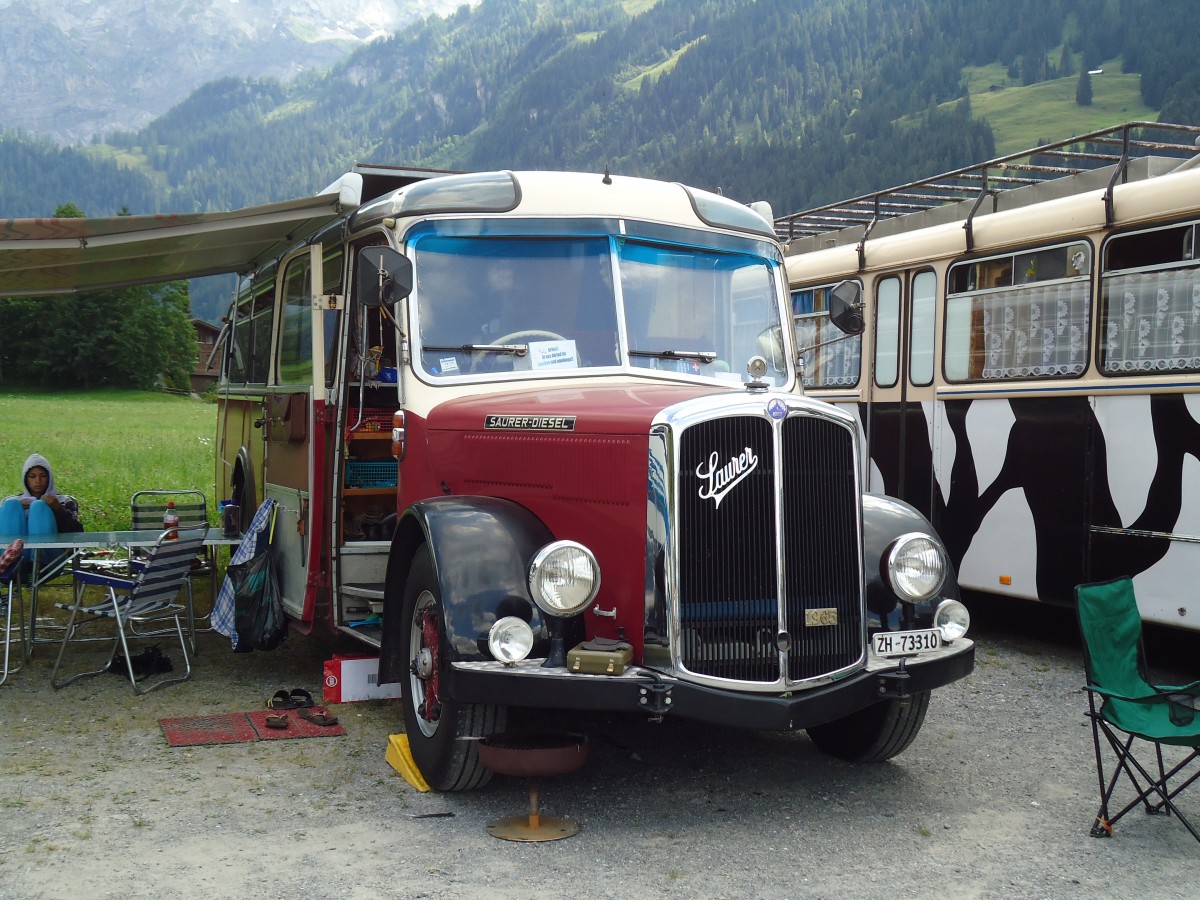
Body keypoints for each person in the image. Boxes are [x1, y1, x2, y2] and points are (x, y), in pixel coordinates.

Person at [0, 455, 83, 569]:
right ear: (26, 479)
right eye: (32, 476)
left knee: (39, 507)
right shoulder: (17, 501)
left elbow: (77, 534)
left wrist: (58, 509)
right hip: (12, 560)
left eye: (43, 476)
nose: (38, 481)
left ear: (49, 478)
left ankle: (38, 560)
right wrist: (18, 511)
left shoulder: (64, 501)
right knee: (10, 505)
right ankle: (10, 558)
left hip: (50, 560)